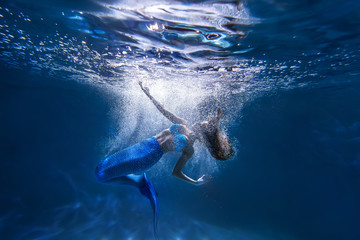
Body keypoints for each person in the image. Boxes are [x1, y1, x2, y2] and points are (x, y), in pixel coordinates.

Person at [95, 81, 234, 237]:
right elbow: (163, 110)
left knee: (101, 176)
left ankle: (140, 183)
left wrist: (196, 182)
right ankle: (139, 180)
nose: (200, 121)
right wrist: (148, 93)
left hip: (146, 157)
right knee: (99, 169)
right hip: (144, 145)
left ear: (203, 131)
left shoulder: (189, 150)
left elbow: (176, 172)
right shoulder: (183, 123)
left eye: (204, 123)